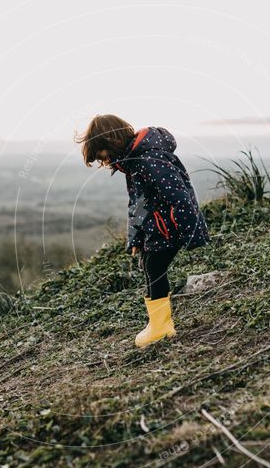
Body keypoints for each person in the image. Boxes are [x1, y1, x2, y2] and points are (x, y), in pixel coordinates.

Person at [76, 114, 210, 347]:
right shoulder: (134, 162)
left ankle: (161, 327)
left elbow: (180, 197)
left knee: (154, 267)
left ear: (112, 141)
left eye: (102, 153)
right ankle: (158, 323)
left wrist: (192, 233)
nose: (103, 160)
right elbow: (138, 205)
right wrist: (135, 238)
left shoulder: (148, 159)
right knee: (149, 265)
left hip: (168, 228)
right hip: (155, 229)